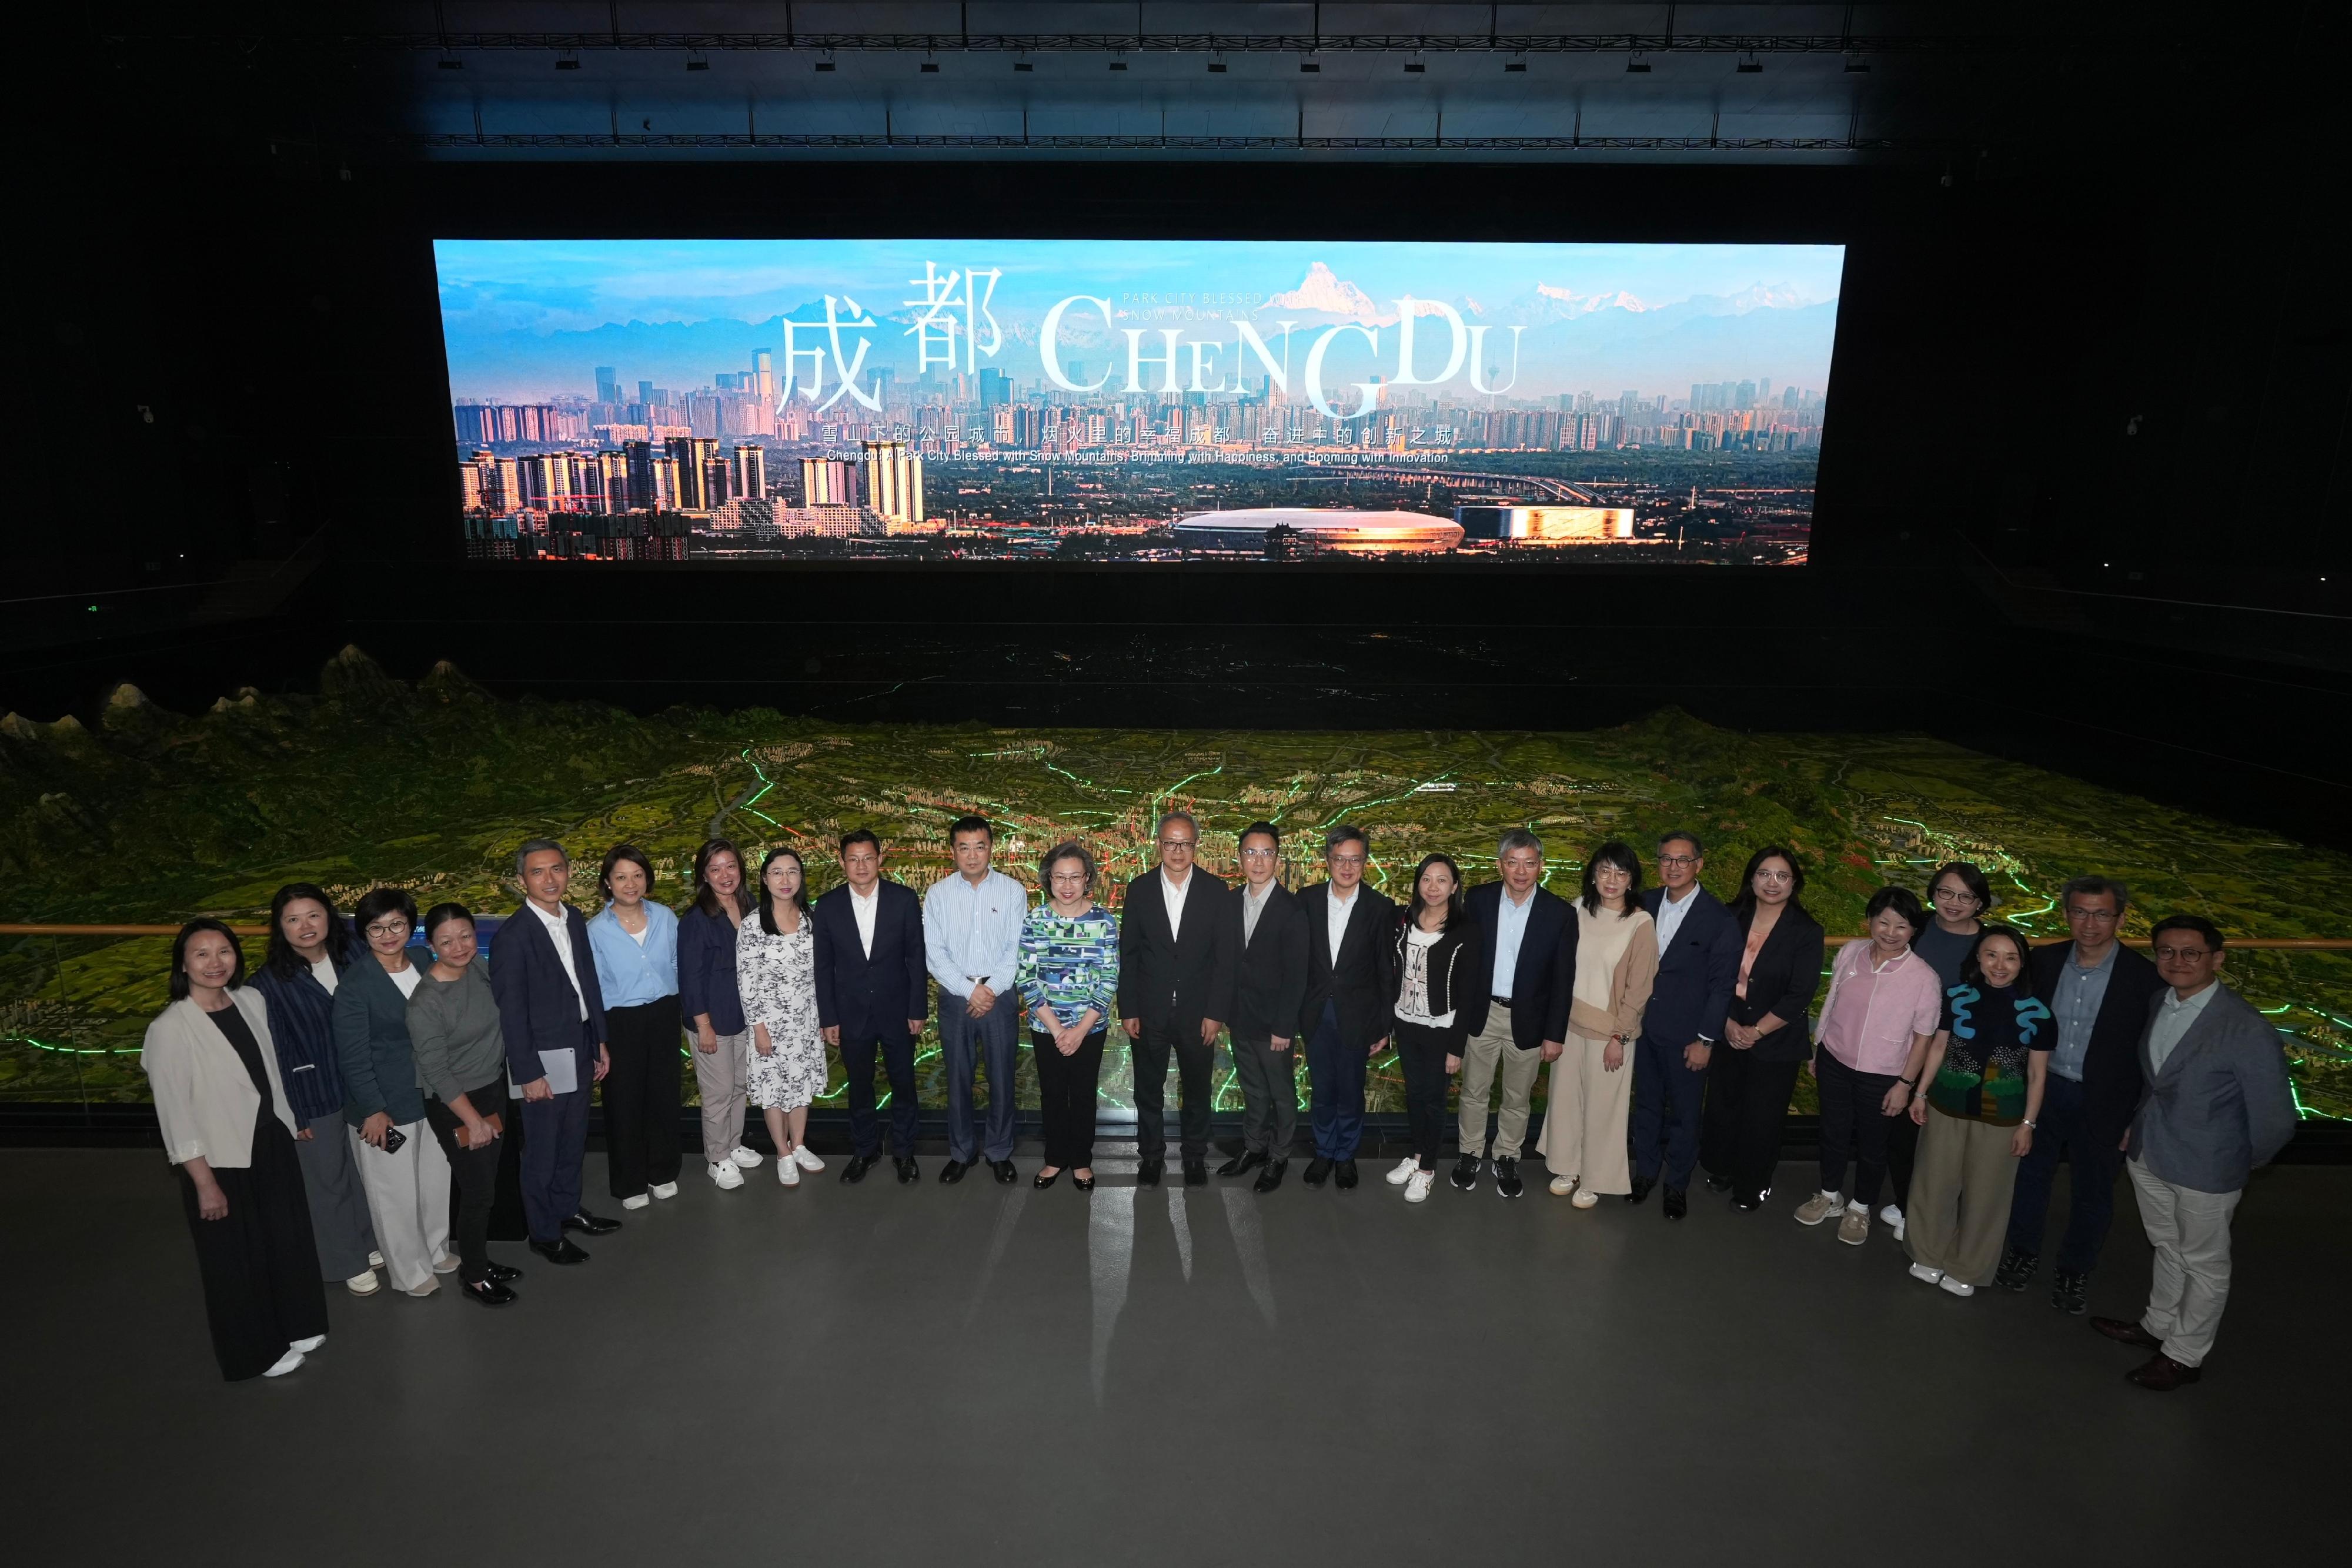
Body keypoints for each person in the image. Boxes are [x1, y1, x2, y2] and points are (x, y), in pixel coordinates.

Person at [2092, 915, 2297, 1392]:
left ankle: (2185, 1356)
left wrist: (2236, 1160)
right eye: (2167, 951)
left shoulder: (2245, 1027)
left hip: (2208, 1167)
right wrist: (2137, 1124)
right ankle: (2158, 1325)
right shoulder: (2159, 1001)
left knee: (2205, 1263)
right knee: (2167, 1245)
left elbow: (2276, 1120)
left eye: (2191, 952)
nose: (2177, 960)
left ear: (2217, 959)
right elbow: (2158, 1080)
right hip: (2150, 1152)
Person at [143, 918, 330, 1380]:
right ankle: (255, 1352)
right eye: (201, 953)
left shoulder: (250, 999)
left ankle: (298, 1322)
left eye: (224, 951)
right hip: (219, 1156)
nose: (215, 962)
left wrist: (290, 1119)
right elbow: (175, 1114)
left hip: (269, 1139)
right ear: (183, 964)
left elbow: (269, 1071)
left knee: (286, 1239)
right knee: (234, 1259)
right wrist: (204, 1182)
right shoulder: (170, 1028)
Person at [1997, 874, 2164, 1313]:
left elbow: (2153, 1055)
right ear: (2067, 914)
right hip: (2043, 1090)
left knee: (2093, 1192)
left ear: (2121, 918)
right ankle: (2022, 1251)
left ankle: (2075, 1269)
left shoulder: (2144, 978)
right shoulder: (2043, 961)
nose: (2090, 924)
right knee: (2029, 1178)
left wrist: (2138, 1115)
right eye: (2080, 912)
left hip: (2105, 1100)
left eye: (2101, 914)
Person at [248, 884, 381, 1296]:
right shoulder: (268, 983)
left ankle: (368, 1241)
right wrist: (294, 1113)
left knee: (361, 1171)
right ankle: (345, 1261)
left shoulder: (355, 952)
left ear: (329, 916)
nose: (305, 926)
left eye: (313, 915)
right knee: (327, 1180)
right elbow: (275, 1054)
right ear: (279, 927)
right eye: (293, 919)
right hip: (312, 1090)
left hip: (363, 1084)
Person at [1903, 926, 2052, 1297]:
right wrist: (1920, 1093)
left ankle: (1967, 1266)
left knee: (1988, 1195)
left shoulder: (2038, 1013)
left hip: (2003, 1117)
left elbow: (2037, 1075)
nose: (2000, 965)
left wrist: (2028, 1124)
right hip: (1945, 1106)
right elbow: (1938, 1048)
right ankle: (1928, 1254)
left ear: (2023, 963)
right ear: (1978, 959)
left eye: (2011, 957)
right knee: (1934, 1182)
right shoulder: (1956, 996)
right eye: (1991, 955)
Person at [490, 840, 618, 1266]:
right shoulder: (513, 937)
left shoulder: (574, 918)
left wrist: (599, 1040)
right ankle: (544, 1233)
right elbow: (511, 1013)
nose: (549, 879)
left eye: (557, 869)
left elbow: (588, 983)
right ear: (521, 880)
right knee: (543, 1147)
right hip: (542, 1057)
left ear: (568, 871)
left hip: (580, 1042)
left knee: (572, 1137)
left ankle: (566, 1208)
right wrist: (528, 1072)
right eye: (537, 872)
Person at [1795, 887, 1943, 1246]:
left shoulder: (1924, 977)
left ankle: (1861, 1208)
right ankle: (1829, 1196)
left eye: (1902, 926)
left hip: (1884, 1074)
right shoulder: (1851, 952)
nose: (1891, 932)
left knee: (1874, 1144)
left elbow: (1923, 1038)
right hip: (1835, 1060)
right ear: (1871, 921)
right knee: (1833, 1132)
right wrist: (1818, 1050)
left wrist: (1905, 1084)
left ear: (1914, 930)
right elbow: (1832, 1003)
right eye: (1883, 922)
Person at [332, 887, 455, 1298]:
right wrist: (373, 1109)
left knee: (435, 1181)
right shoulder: (355, 985)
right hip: (384, 1106)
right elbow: (352, 1057)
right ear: (364, 933)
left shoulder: (422, 961)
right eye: (376, 928)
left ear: (411, 925)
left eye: (397, 924)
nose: (388, 935)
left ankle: (435, 1250)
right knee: (394, 1195)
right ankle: (408, 1271)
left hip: (431, 1095)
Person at [409, 904, 524, 1307]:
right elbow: (437, 1073)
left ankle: (479, 1261)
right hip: (457, 1103)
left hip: (491, 1088)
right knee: (477, 1193)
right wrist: (473, 1121)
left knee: (487, 1185)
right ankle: (474, 1275)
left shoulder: (477, 967)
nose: (459, 947)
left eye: (466, 936)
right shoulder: (425, 1003)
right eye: (446, 941)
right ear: (430, 944)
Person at [1699, 848, 1826, 1212]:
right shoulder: (1728, 917)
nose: (1773, 883)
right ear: (1751, 878)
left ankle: (1753, 1184)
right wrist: (1726, 1022)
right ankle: (1723, 1168)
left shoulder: (1806, 931)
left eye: (1782, 876)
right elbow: (1709, 973)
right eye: (1765, 874)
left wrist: (1755, 1031)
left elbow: (1800, 994)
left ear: (1794, 883)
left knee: (1763, 1116)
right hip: (1727, 1027)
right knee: (1724, 1105)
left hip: (1776, 1039)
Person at [1452, 828, 1575, 1199]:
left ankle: (1507, 1156)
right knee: (1474, 1091)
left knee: (1518, 1097)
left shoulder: (1560, 913)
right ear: (1500, 865)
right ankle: (1470, 1153)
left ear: (1541, 866)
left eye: (1529, 863)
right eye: (1513, 863)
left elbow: (1563, 980)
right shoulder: (1478, 900)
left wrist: (1555, 1034)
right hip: (1483, 1013)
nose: (1521, 871)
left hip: (1530, 1020)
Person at [1116, 810, 1236, 1187]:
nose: (1178, 851)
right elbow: (1129, 954)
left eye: (1185, 843)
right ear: (1158, 845)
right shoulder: (1139, 889)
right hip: (1148, 1011)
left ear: (1196, 845)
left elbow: (1225, 959)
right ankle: (1151, 1157)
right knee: (1148, 1092)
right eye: (1170, 843)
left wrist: (1215, 1013)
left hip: (1198, 1013)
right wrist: (1129, 1008)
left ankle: (1195, 1156)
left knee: (1198, 1090)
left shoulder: (1216, 891)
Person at [1539, 842, 1658, 1206]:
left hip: (1611, 1034)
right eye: (1605, 870)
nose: (1612, 879)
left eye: (1621, 873)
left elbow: (1640, 988)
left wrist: (1619, 1037)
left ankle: (1595, 1178)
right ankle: (1568, 1166)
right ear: (1593, 874)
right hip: (1569, 1025)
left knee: (1604, 1109)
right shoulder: (1578, 909)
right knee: (1565, 1102)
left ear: (1632, 880)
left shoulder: (1640, 922)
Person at [1628, 830, 1739, 1221]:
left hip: (1688, 1037)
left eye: (1683, 860)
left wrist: (1705, 1040)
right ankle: (1644, 1173)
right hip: (1643, 1029)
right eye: (1666, 859)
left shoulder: (1718, 918)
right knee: (1646, 1107)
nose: (1674, 867)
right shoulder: (1644, 903)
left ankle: (1676, 1184)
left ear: (1699, 864)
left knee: (1685, 1115)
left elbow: (1722, 986)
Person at [1880, 861, 1993, 1238]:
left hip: (1958, 1051)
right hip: (1909, 1043)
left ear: (1980, 903)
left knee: (1942, 1137)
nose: (1954, 902)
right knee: (1903, 1131)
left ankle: (1928, 1214)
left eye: (1966, 896)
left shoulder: (1988, 943)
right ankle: (1907, 1203)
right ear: (1933, 893)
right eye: (1946, 892)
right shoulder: (1918, 927)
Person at [812, 829, 928, 1184]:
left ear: (880, 859)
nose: (861, 866)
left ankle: (904, 1151)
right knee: (859, 1087)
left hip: (898, 1011)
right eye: (853, 859)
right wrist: (828, 1017)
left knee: (904, 1084)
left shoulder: (903, 899)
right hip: (851, 1013)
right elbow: (823, 967)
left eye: (868, 858)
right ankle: (865, 1150)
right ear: (842, 862)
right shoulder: (827, 905)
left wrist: (918, 1009)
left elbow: (916, 958)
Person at [923, 814, 1027, 1185]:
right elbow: (934, 953)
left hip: (1000, 997)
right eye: (964, 848)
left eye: (979, 847)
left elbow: (1016, 948)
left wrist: (991, 990)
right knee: (957, 1080)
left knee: (1002, 1079)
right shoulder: (938, 894)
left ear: (991, 848)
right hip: (956, 997)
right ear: (952, 852)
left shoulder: (1012, 891)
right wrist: (970, 991)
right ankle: (962, 1153)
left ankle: (999, 1152)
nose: (972, 855)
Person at [1295, 824, 1397, 1191]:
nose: (1347, 867)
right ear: (1328, 860)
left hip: (1358, 1016)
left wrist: (1384, 1026)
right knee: (1322, 1090)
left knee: (1351, 1091)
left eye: (1355, 860)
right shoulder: (1306, 900)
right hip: (1315, 1013)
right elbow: (1296, 961)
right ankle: (1324, 1152)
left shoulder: (1380, 908)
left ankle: (1345, 1156)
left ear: (1365, 862)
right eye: (1340, 859)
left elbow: (1386, 971)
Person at [586, 844, 684, 1211]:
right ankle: (629, 1181)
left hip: (664, 1014)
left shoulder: (665, 917)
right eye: (621, 877)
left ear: (648, 878)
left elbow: (677, 963)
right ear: (608, 883)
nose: (631, 884)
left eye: (638, 875)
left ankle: (662, 1170)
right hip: (620, 1020)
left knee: (664, 1094)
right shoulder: (595, 930)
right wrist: (599, 1039)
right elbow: (594, 989)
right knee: (623, 1101)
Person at [1018, 841, 1120, 1191]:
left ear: (1087, 878)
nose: (1067, 885)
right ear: (1048, 879)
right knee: (1051, 1093)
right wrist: (1058, 1029)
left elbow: (1109, 979)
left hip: (1090, 1027)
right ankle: (1054, 1158)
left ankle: (1081, 1160)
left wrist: (1079, 1030)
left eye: (1075, 877)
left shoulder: (1104, 921)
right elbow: (1026, 978)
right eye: (1059, 877)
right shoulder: (1035, 920)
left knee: (1083, 1094)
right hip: (1046, 1025)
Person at [1385, 854, 1479, 1205]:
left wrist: (1457, 1047)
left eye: (1442, 880)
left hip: (1442, 1028)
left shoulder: (1466, 931)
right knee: (1414, 1095)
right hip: (1406, 1024)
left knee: (1434, 1100)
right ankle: (1416, 1155)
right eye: (1426, 879)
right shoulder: (1402, 920)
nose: (1433, 887)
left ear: (1454, 887)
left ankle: (1427, 1169)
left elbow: (1468, 994)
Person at [1222, 820, 1309, 1191]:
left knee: (1282, 1094)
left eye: (1267, 853)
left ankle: (1279, 1156)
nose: (1258, 861)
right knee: (1252, 1089)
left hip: (1274, 1025)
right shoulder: (1230, 902)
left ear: (1277, 859)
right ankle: (1254, 1147)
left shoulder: (1291, 909)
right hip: (1240, 1018)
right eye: (1251, 852)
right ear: (1240, 857)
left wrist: (1284, 1027)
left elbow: (1297, 976)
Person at [737, 848, 830, 1186]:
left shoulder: (811, 919)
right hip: (770, 1024)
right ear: (765, 879)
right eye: (777, 872)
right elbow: (746, 982)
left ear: (801, 877)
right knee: (774, 1089)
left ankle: (799, 1144)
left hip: (806, 1019)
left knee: (802, 1085)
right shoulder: (753, 925)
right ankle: (782, 1152)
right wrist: (759, 1029)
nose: (785, 879)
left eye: (792, 872)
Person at [679, 837, 764, 1190]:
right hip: (712, 1019)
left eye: (730, 866)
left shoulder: (751, 906)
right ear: (704, 876)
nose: (725, 875)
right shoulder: (696, 919)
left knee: (740, 1085)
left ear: (741, 869)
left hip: (744, 1015)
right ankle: (717, 1158)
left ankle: (733, 1144)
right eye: (715, 869)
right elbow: (689, 977)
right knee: (718, 1092)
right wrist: (704, 1026)